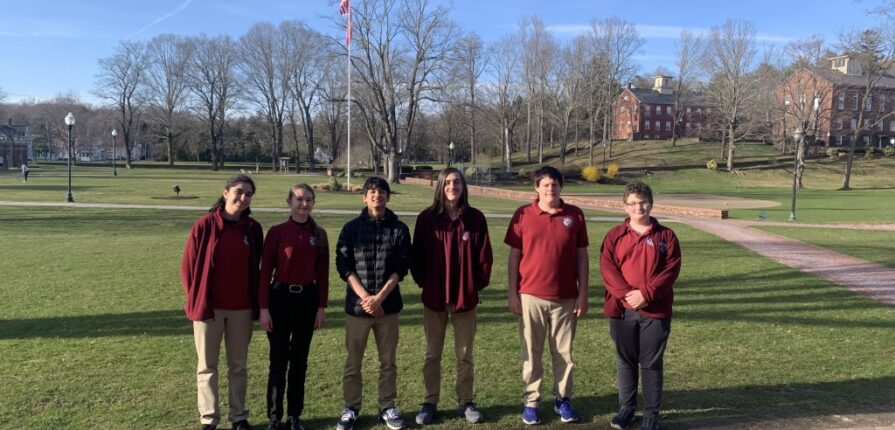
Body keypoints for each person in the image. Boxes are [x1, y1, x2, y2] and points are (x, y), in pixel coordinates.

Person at [504, 166, 589, 425]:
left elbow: (582, 256)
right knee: (531, 352)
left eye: (555, 184)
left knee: (564, 353)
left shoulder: (574, 215)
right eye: (545, 184)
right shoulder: (523, 214)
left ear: (561, 187)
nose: (550, 189)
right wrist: (512, 293)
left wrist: (583, 294)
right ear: (536, 188)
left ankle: (563, 399)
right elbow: (514, 257)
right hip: (531, 295)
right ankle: (532, 401)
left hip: (566, 296)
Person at [411, 168, 493, 426]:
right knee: (432, 354)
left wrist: (473, 286)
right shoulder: (426, 219)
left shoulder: (475, 218)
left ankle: (466, 401)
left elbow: (485, 258)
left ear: (463, 186)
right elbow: (417, 257)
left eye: (457, 182)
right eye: (447, 182)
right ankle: (430, 401)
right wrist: (426, 283)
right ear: (440, 186)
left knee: (464, 355)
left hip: (464, 299)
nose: (452, 186)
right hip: (434, 297)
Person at [180, 175, 263, 430]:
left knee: (238, 366)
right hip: (209, 310)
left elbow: (256, 268)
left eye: (248, 194)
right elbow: (188, 268)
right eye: (239, 192)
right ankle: (209, 418)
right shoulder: (204, 225)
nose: (243, 198)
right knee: (207, 366)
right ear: (225, 193)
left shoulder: (253, 229)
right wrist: (197, 298)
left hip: (242, 309)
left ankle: (238, 417)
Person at [600, 181, 681, 430]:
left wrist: (646, 293)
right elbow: (608, 268)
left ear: (651, 204)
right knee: (625, 360)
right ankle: (626, 408)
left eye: (643, 202)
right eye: (633, 203)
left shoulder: (666, 236)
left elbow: (670, 270)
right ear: (625, 206)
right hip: (622, 309)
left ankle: (651, 414)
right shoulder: (615, 235)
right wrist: (627, 295)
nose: (639, 207)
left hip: (655, 311)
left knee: (651, 362)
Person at [335, 176, 412, 430]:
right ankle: (351, 408)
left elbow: (402, 266)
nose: (377, 196)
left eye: (382, 192)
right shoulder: (351, 229)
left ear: (388, 197)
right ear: (364, 197)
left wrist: (379, 298)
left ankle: (387, 407)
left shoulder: (399, 229)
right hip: (357, 309)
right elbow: (343, 265)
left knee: (388, 362)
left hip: (388, 308)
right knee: (353, 363)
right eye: (372, 192)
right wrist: (366, 298)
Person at [259, 184, 330, 430]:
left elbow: (323, 275)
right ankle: (274, 417)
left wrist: (321, 308)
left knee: (299, 362)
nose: (304, 204)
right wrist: (263, 308)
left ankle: (294, 416)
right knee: (278, 361)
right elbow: (265, 273)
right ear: (289, 201)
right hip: (280, 299)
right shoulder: (277, 232)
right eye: (299, 199)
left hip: (307, 300)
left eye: (309, 200)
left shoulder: (319, 234)